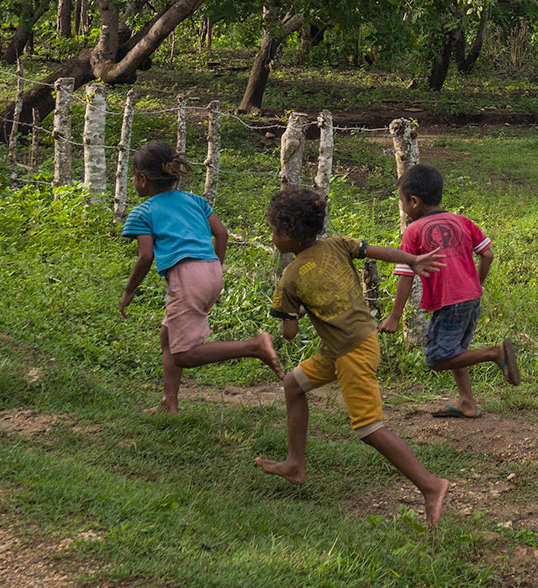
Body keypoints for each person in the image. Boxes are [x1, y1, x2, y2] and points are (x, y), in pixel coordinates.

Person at [258, 184, 452, 525]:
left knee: (369, 429)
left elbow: (288, 333)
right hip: (350, 345)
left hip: (351, 353)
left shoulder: (289, 278)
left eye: (273, 230)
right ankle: (295, 464)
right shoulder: (337, 244)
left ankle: (431, 485)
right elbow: (379, 252)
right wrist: (414, 260)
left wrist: (295, 312)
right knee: (293, 385)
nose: (271, 236)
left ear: (287, 232)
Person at [118, 139, 283, 413]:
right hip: (211, 270)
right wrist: (215, 266)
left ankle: (254, 346)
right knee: (167, 336)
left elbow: (145, 257)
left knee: (183, 355)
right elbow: (222, 233)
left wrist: (129, 291)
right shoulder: (195, 201)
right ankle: (169, 402)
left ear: (142, 179)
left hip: (187, 276)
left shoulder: (143, 212)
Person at [379, 162, 519, 419]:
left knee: (436, 358)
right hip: (471, 298)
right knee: (457, 352)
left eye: (401, 201)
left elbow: (406, 275)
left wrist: (395, 316)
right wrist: (476, 284)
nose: (401, 205)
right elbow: (487, 254)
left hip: (449, 302)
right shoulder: (462, 221)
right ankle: (467, 402)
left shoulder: (413, 230)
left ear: (414, 202)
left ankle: (494, 353)